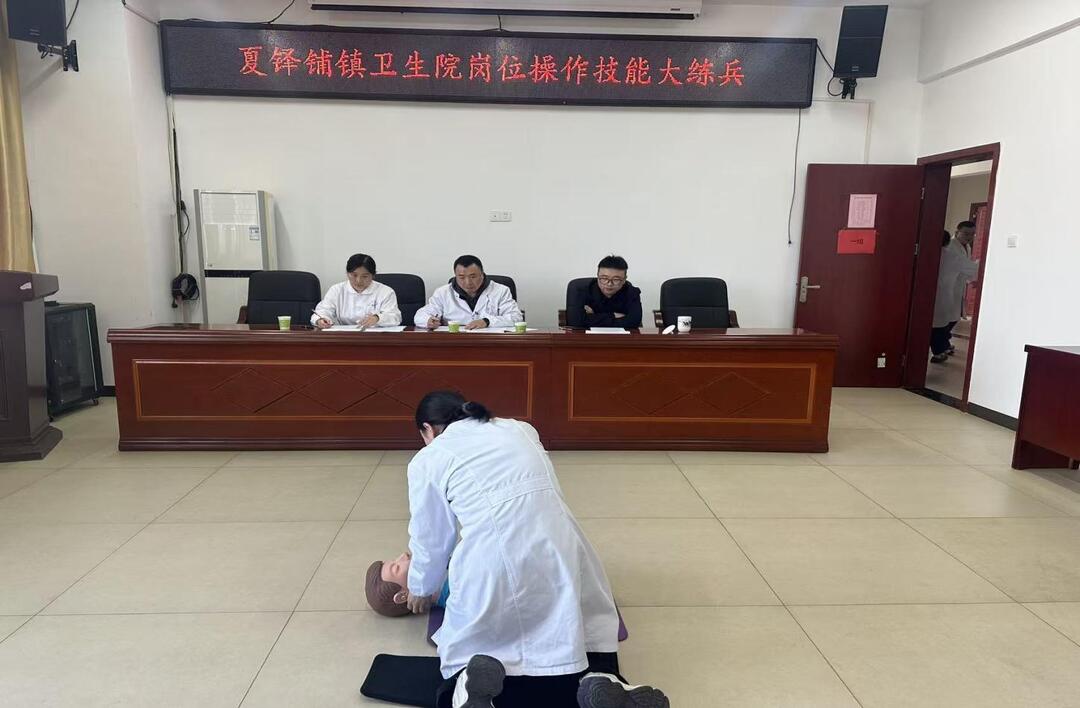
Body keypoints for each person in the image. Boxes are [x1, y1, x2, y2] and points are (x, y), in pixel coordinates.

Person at [399, 390, 669, 708]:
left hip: (494, 560)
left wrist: (420, 587)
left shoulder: (429, 458)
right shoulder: (520, 429)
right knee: (584, 632)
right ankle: (603, 679)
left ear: (428, 429)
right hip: (564, 547)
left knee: (466, 646)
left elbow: (432, 539)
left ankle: (467, 686)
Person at [414, 255, 522, 330]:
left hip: (491, 343)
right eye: (461, 277)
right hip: (455, 342)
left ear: (482, 274)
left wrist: (487, 321)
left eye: (473, 277)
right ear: (455, 276)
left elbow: (516, 317)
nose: (468, 282)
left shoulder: (501, 291)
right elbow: (419, 316)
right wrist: (428, 320)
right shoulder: (443, 292)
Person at [930, 221, 980, 364]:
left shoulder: (965, 247)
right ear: (957, 232)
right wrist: (979, 265)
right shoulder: (951, 250)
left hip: (953, 287)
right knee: (941, 322)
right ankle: (940, 348)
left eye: (972, 234)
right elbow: (970, 268)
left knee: (949, 319)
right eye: (966, 233)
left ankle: (944, 344)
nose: (969, 237)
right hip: (947, 289)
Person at [312, 253, 401, 329]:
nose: (359, 281)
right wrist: (320, 320)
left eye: (365, 276)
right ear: (347, 273)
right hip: (343, 336)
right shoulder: (336, 290)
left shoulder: (385, 292)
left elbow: (395, 317)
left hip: (375, 337)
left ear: (373, 275)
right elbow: (322, 311)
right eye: (354, 275)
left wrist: (377, 318)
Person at [566, 255, 643, 329]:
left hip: (620, 337)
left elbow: (634, 322)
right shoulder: (581, 291)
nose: (609, 284)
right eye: (604, 278)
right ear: (597, 276)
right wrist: (613, 316)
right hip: (586, 337)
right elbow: (575, 322)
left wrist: (593, 317)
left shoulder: (632, 292)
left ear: (624, 280)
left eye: (616, 279)